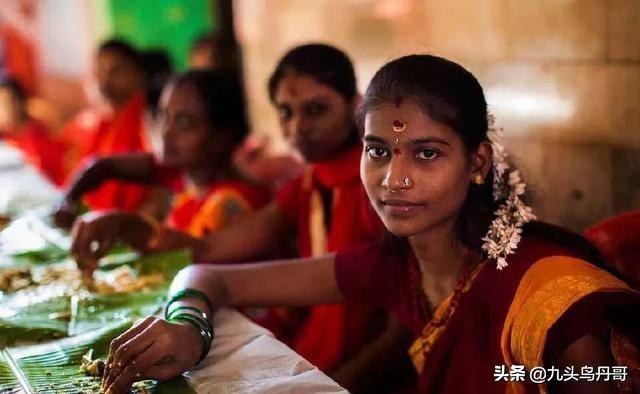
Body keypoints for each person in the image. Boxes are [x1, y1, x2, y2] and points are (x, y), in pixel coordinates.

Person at [99, 54, 640, 394]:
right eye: (378, 150)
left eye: (426, 154)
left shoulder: (543, 286)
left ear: (477, 163)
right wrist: (189, 326)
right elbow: (208, 276)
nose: (393, 180)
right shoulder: (394, 265)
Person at [70, 44, 409, 392]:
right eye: (286, 112)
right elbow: (207, 252)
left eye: (316, 110)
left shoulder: (381, 193)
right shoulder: (305, 185)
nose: (298, 127)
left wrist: (333, 386)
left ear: (355, 107)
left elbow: (401, 333)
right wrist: (128, 226)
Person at [55, 69, 269, 266]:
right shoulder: (183, 171)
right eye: (165, 117)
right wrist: (67, 200)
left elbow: (190, 258)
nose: (166, 132)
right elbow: (100, 166)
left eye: (184, 123)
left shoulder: (234, 201)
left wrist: (126, 225)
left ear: (223, 136)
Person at [59, 39, 151, 212]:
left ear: (138, 74)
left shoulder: (149, 122)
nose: (106, 80)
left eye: (116, 70)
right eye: (100, 71)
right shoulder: (104, 122)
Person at [0, 77, 66, 185]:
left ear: (21, 102)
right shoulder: (5, 136)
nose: (5, 110)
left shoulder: (38, 136)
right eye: (1, 105)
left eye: (9, 102)